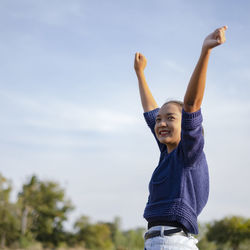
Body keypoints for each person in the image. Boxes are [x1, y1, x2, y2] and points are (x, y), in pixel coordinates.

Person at [134, 26, 227, 250]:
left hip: (171, 243)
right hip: (160, 241)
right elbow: (150, 113)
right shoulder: (167, 153)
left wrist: (206, 51)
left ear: (185, 124)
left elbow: (192, 105)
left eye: (170, 118)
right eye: (159, 120)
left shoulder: (188, 153)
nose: (162, 123)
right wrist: (140, 74)